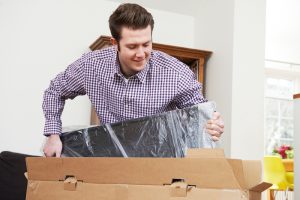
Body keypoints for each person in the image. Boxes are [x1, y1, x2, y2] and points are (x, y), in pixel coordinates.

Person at [43, 3, 224, 157]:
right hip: (109, 156)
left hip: (161, 159)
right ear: (116, 44)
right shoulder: (91, 66)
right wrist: (53, 135)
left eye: (146, 44)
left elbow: (200, 113)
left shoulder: (174, 72)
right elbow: (55, 91)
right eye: (132, 46)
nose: (140, 54)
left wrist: (212, 124)